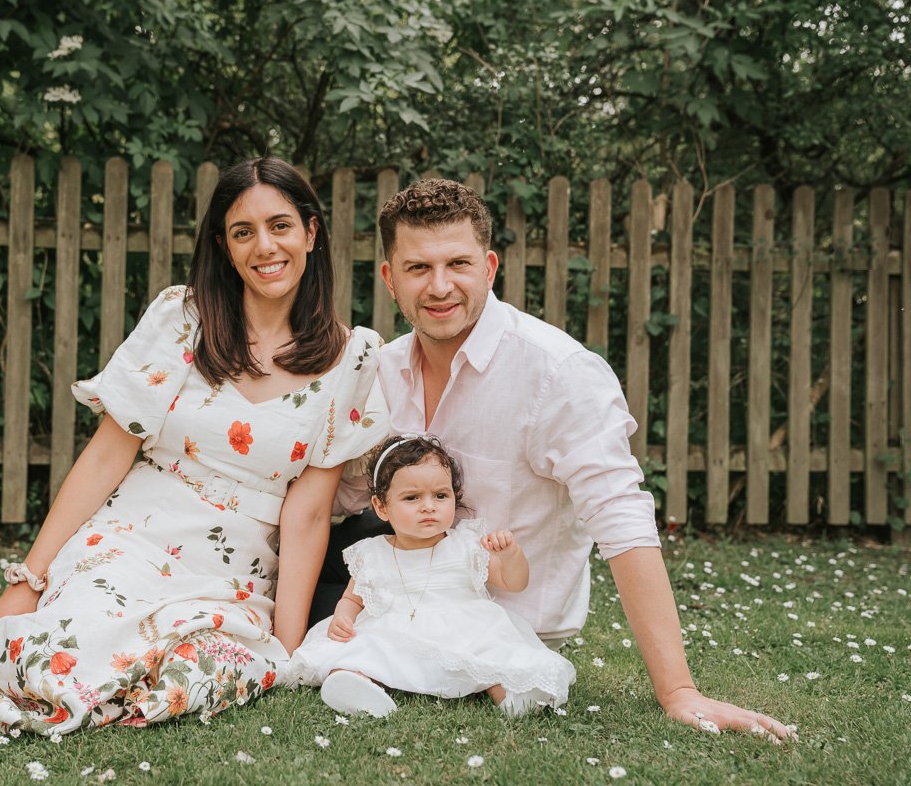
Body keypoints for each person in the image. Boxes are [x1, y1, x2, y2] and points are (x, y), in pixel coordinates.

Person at [0, 157, 389, 737]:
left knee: (195, 679)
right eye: (244, 232)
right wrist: (21, 587)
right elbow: (105, 456)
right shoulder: (181, 320)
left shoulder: (356, 356)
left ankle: (24, 642)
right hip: (133, 540)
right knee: (72, 658)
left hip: (232, 575)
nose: (265, 246)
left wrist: (284, 647)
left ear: (311, 233)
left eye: (281, 225)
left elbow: (309, 510)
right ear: (225, 246)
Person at [316, 178, 792, 741]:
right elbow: (338, 495)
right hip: (402, 590)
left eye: (459, 264)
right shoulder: (385, 369)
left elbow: (619, 515)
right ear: (390, 278)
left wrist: (678, 690)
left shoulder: (558, 372)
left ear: (490, 268)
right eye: (418, 268)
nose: (440, 287)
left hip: (501, 616)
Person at [287, 434, 575, 717]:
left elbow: (515, 582)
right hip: (395, 628)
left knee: (495, 657)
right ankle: (354, 683)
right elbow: (353, 597)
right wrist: (343, 617)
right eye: (412, 497)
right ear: (381, 507)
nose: (429, 506)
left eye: (440, 495)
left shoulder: (465, 544)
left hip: (462, 631)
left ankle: (513, 694)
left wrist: (511, 555)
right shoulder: (373, 553)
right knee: (362, 652)